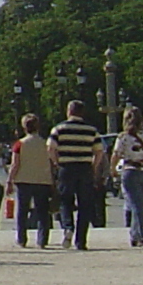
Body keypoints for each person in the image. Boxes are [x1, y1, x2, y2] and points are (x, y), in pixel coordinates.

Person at [48, 102, 104, 250]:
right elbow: (99, 151)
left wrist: (56, 162)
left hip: (66, 167)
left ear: (69, 111)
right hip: (85, 168)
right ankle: (81, 241)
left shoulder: (59, 129)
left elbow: (50, 147)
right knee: (85, 204)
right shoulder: (91, 130)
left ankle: (68, 227)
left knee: (65, 200)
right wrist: (93, 165)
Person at [111, 108, 143, 248]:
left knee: (136, 206)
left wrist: (112, 169)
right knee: (140, 205)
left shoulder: (123, 137)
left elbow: (116, 154)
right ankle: (134, 235)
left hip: (131, 171)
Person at [8, 115, 57, 248]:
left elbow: (15, 164)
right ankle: (42, 240)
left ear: (24, 127)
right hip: (43, 180)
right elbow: (52, 163)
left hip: (23, 180)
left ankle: (21, 238)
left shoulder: (19, 144)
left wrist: (10, 181)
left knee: (22, 211)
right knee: (42, 212)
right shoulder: (45, 143)